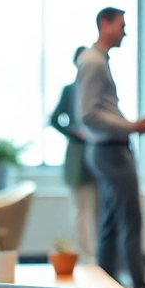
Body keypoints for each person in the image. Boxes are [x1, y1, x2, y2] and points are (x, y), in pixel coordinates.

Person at [76, 7, 145, 288]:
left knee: (113, 222)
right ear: (104, 24)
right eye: (121, 25)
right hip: (109, 151)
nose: (125, 31)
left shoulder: (98, 60)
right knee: (130, 219)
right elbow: (87, 114)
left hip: (108, 149)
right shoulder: (93, 61)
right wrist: (131, 126)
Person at [50, 46, 98, 258]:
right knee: (81, 210)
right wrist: (75, 132)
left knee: (99, 211)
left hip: (98, 153)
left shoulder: (98, 90)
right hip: (78, 157)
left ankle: (100, 256)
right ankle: (86, 256)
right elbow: (54, 120)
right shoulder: (70, 90)